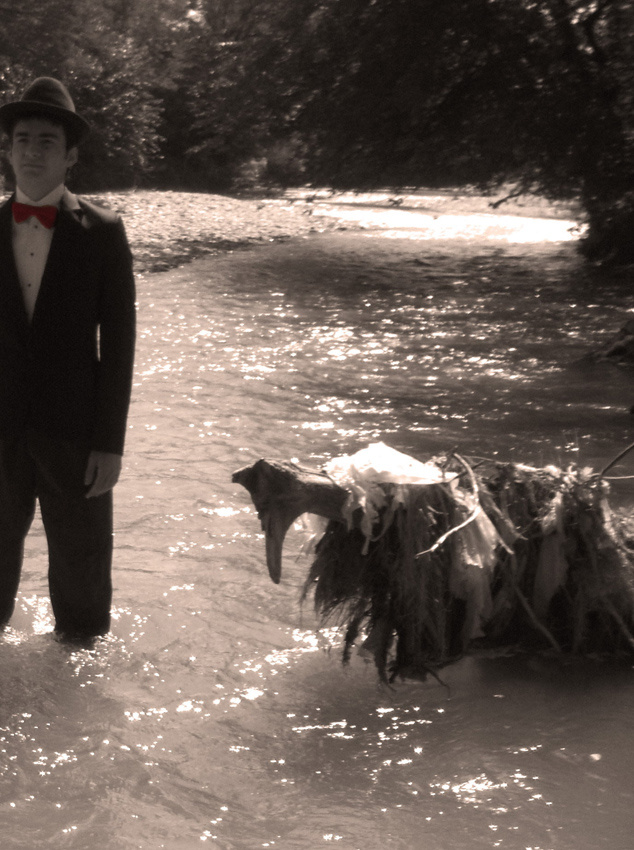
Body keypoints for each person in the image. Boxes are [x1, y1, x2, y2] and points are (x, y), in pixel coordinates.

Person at [0, 77, 136, 643]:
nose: (33, 151)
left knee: (83, 585)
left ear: (70, 155)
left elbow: (120, 345)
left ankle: (78, 686)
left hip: (76, 435)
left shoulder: (104, 232)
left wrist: (110, 443)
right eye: (23, 139)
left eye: (47, 141)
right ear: (8, 150)